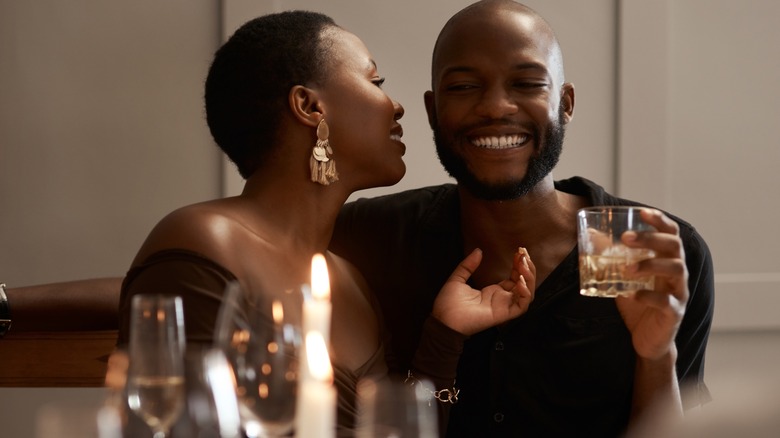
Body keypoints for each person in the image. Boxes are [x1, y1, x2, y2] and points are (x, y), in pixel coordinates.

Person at [116, 10, 536, 437]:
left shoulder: (350, 279)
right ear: (310, 106)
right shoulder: (203, 240)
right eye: (375, 83)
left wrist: (445, 334)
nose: (396, 105)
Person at [330, 1, 715, 437]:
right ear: (433, 111)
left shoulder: (639, 248)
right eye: (463, 86)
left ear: (565, 103)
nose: (495, 106)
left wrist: (656, 355)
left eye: (527, 83)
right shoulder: (371, 239)